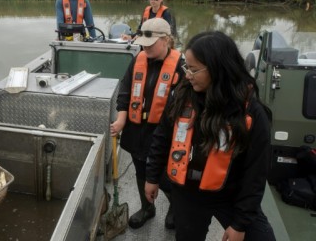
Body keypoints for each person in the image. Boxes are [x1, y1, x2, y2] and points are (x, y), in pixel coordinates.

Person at [145, 31, 276, 241]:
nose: (187, 75)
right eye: (186, 67)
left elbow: (256, 171)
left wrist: (240, 224)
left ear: (217, 69)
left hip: (230, 193)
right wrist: (152, 176)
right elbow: (162, 136)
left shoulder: (251, 111)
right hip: (187, 192)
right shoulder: (182, 94)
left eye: (194, 70)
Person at [110, 17, 184, 230]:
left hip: (165, 134)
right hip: (137, 130)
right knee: (141, 171)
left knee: (165, 177)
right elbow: (125, 91)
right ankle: (147, 208)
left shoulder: (180, 66)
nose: (145, 47)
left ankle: (174, 208)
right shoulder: (138, 59)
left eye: (150, 44)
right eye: (143, 42)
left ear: (166, 40)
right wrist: (122, 119)